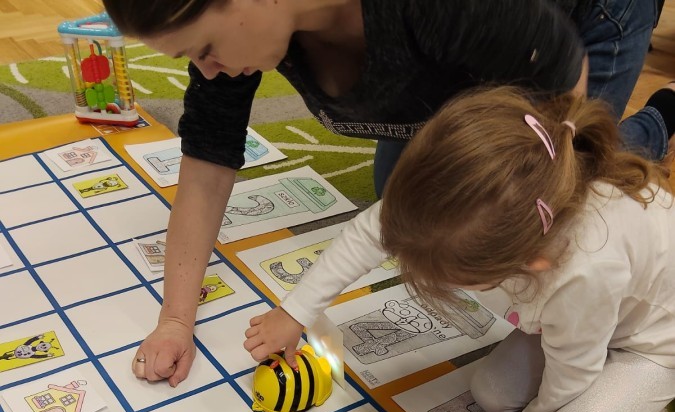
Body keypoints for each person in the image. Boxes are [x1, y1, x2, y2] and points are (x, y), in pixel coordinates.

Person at [102, 0, 664, 387]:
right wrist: (175, 320)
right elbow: (207, 156)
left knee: (580, 198)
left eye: (204, 47)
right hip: (466, 72)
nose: (206, 69)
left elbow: (549, 144)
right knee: (412, 213)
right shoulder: (247, 36)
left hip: (572, 34)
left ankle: (660, 120)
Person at [246, 86, 675, 412]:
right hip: (588, 320)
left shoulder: (582, 272)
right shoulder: (468, 198)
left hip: (654, 344)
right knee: (491, 393)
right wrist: (295, 311)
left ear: (527, 263)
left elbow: (575, 369)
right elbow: (369, 232)